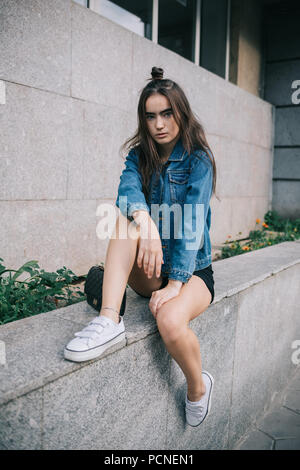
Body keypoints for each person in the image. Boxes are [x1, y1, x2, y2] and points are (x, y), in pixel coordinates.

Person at [64, 66, 217, 427]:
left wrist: (177, 283)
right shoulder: (138, 156)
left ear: (181, 113)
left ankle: (198, 386)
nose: (159, 123)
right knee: (126, 217)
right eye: (150, 116)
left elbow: (192, 225)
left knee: (169, 320)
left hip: (193, 270)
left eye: (167, 113)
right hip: (151, 267)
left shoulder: (198, 160)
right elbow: (127, 192)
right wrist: (145, 222)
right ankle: (109, 320)